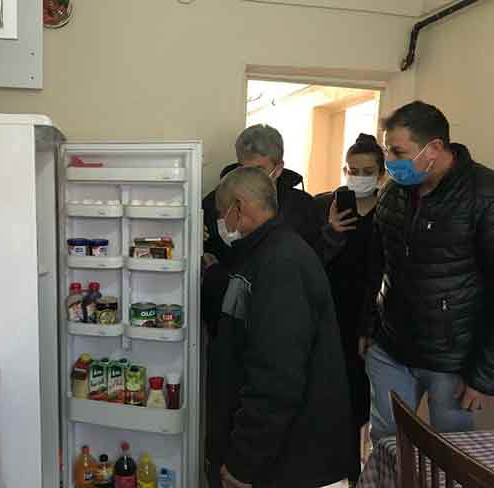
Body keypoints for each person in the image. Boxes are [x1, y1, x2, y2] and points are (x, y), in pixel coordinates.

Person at [208, 166, 356, 488]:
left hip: (291, 461)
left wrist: (243, 461)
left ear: (238, 207)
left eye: (221, 213)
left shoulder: (281, 264)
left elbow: (276, 377)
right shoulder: (258, 254)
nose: (220, 223)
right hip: (276, 455)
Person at [361, 101, 494, 445]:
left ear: (434, 148)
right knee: (387, 445)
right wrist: (368, 327)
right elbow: (377, 264)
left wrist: (484, 376)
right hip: (391, 347)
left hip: (452, 360)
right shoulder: (394, 192)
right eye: (387, 150)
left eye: (398, 152)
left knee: (450, 454)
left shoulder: (484, 194)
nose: (389, 161)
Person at [315, 133, 386, 482]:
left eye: (367, 171)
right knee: (331, 392)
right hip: (330, 314)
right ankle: (336, 467)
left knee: (364, 397)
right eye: (352, 170)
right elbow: (312, 263)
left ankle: (362, 472)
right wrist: (331, 231)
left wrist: (369, 326)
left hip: (372, 316)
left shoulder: (390, 211)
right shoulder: (326, 205)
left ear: (381, 174)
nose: (358, 177)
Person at [202, 124, 322, 271]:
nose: (249, 177)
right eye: (244, 169)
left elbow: (314, 260)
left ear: (278, 169)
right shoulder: (216, 201)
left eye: (258, 170)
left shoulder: (303, 206)